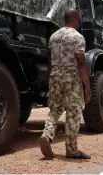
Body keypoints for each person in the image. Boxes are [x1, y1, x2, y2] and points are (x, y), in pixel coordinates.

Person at [39, 8, 91, 160]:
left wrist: (51, 77)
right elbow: (81, 62)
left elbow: (49, 60)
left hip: (55, 74)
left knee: (54, 109)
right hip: (71, 75)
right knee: (74, 111)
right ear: (75, 18)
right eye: (79, 18)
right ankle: (71, 150)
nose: (80, 21)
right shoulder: (78, 37)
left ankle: (47, 135)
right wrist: (87, 86)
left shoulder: (53, 36)